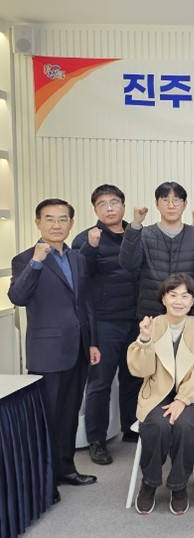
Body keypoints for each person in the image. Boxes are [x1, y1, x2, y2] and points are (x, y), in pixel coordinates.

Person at [8, 198, 99, 502]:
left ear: (71, 224)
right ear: (38, 222)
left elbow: (85, 304)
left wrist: (92, 342)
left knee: (70, 414)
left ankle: (65, 469)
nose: (56, 225)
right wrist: (36, 262)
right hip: (47, 352)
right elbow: (18, 297)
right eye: (49, 218)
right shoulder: (24, 259)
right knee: (46, 419)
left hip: (78, 348)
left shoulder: (77, 259)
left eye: (62, 219)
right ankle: (44, 482)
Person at [127, 274, 194, 515]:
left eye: (185, 296)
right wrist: (145, 339)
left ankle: (179, 486)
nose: (179, 301)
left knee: (186, 425)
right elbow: (140, 371)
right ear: (163, 299)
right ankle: (149, 483)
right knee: (156, 424)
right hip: (157, 394)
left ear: (193, 301)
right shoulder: (152, 325)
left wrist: (182, 400)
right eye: (173, 295)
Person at [72, 184, 141, 465]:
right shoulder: (87, 238)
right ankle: (97, 439)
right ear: (95, 209)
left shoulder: (136, 234)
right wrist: (91, 247)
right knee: (100, 382)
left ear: (123, 205)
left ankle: (131, 427)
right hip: (104, 322)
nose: (109, 208)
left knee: (134, 376)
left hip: (136, 318)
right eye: (102, 204)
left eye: (114, 202)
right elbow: (79, 276)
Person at [119, 181, 194, 321]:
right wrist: (135, 224)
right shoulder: (144, 234)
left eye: (176, 200)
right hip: (150, 318)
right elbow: (129, 264)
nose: (171, 205)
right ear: (157, 204)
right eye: (165, 200)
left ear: (185, 204)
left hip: (189, 317)